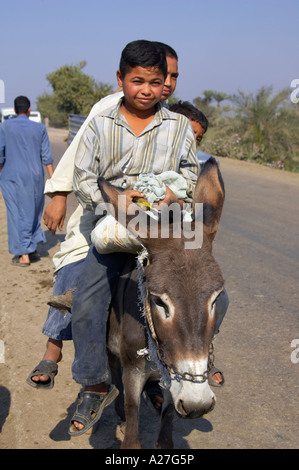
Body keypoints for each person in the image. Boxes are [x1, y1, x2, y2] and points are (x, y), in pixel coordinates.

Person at [26, 42, 180, 388]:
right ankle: (54, 347)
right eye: (161, 75)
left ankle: (181, 363)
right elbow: (79, 153)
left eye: (171, 77)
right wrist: (59, 194)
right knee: (74, 269)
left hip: (150, 221)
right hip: (103, 215)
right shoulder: (109, 108)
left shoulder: (172, 120)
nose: (166, 83)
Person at [68, 39, 200, 435]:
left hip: (167, 226)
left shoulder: (177, 126)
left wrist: (175, 193)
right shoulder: (101, 124)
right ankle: (93, 382)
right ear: (120, 79)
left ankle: (197, 362)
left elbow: (191, 173)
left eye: (155, 82)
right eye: (137, 80)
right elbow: (83, 178)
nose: (146, 89)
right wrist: (117, 200)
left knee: (208, 290)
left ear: (165, 84)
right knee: (88, 300)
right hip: (113, 224)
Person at [0, 96, 54, 266]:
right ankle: (31, 248)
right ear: (29, 110)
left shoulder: (5, 126)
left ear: (15, 110)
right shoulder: (39, 128)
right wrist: (53, 181)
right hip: (35, 177)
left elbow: (0, 155)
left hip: (12, 177)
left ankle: (23, 254)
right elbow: (47, 158)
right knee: (33, 212)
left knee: (17, 215)